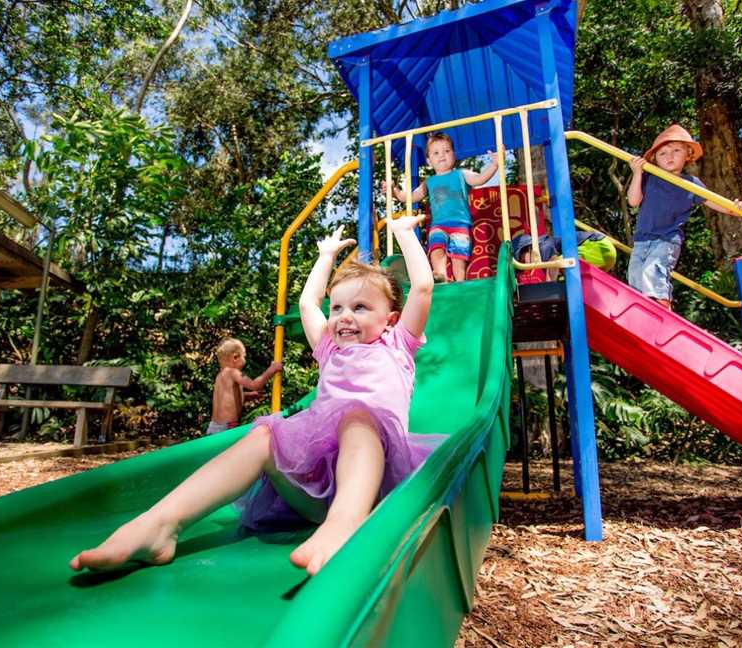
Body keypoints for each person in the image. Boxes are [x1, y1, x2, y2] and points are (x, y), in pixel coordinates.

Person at [69, 216, 437, 577]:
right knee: (265, 433)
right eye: (338, 307)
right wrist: (325, 257)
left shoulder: (397, 346)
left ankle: (345, 524)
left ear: (390, 319)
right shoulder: (329, 349)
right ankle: (160, 524)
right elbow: (309, 304)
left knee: (358, 417)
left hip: (375, 487)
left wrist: (405, 234)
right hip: (313, 492)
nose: (343, 317)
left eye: (360, 307)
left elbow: (422, 287)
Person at [627, 124, 742, 309]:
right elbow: (633, 201)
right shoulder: (649, 178)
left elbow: (712, 201)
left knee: (654, 269)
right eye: (663, 153)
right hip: (642, 238)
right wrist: (637, 173)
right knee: (635, 274)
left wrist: (735, 208)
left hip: (667, 238)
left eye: (676, 150)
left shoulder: (691, 183)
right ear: (654, 159)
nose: (669, 156)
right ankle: (641, 309)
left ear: (688, 155)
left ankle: (660, 304)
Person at [385, 132, 501, 283]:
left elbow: (479, 179)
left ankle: (460, 282)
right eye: (436, 153)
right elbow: (410, 197)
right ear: (429, 160)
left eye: (447, 151)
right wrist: (394, 191)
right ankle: (440, 275)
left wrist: (495, 164)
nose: (442, 155)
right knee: (436, 249)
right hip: (438, 225)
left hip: (460, 224)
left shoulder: (461, 174)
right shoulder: (429, 182)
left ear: (454, 154)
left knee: (458, 258)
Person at [207, 338, 282, 435]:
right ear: (235, 357)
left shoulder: (220, 376)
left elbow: (227, 399)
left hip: (214, 427)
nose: (245, 360)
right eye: (244, 356)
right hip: (227, 427)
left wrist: (247, 395)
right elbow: (255, 385)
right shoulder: (233, 372)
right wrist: (272, 370)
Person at [511, 231, 617, 284]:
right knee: (563, 280)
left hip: (598, 246)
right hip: (602, 258)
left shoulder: (541, 246)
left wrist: (549, 287)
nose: (524, 267)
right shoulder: (541, 258)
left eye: (521, 260)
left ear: (528, 248)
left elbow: (553, 263)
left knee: (561, 263)